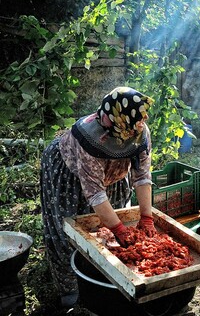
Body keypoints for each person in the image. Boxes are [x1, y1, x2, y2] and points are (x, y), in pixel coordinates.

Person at [39, 86, 157, 308]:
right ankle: (70, 289)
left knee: (106, 233)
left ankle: (109, 277)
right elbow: (95, 192)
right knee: (70, 232)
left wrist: (147, 217)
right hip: (70, 174)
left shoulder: (136, 126)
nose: (138, 130)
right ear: (116, 123)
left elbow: (142, 176)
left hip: (112, 173)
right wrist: (119, 229)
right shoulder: (90, 139)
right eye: (131, 129)